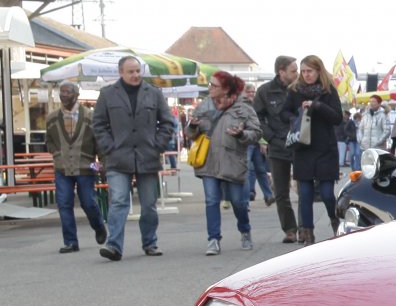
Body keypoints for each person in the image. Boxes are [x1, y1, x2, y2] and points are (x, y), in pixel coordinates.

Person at [91, 55, 176, 260]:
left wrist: (158, 145)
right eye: (131, 71)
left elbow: (167, 122)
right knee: (119, 201)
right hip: (118, 157)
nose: (136, 75)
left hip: (147, 156)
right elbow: (98, 124)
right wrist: (109, 146)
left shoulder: (153, 93)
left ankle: (150, 243)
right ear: (121, 72)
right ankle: (114, 246)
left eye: (138, 71)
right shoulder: (108, 94)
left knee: (148, 204)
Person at [190, 71, 262, 255]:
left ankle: (245, 231)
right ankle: (213, 239)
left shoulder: (243, 108)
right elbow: (190, 134)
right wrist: (192, 126)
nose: (210, 88)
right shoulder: (205, 105)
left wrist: (241, 134)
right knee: (211, 200)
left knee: (238, 202)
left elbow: (256, 132)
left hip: (233, 161)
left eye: (214, 85)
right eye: (210, 84)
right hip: (209, 161)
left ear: (226, 89)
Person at [279, 55, 344, 243]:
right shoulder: (295, 90)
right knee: (305, 195)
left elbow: (337, 118)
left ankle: (335, 220)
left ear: (318, 71)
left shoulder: (328, 90)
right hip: (303, 148)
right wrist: (296, 118)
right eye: (303, 71)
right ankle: (308, 233)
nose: (306, 75)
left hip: (325, 148)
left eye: (310, 71)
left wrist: (317, 105)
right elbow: (283, 112)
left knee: (327, 194)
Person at [43, 81, 108, 254]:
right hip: (62, 167)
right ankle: (71, 242)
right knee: (64, 204)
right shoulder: (52, 118)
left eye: (67, 92)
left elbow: (100, 143)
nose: (63, 95)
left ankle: (99, 226)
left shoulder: (91, 116)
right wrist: (56, 153)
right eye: (61, 92)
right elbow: (49, 140)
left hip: (87, 166)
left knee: (88, 202)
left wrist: (101, 164)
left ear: (76, 94)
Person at [254, 55, 300, 244]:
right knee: (281, 192)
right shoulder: (265, 91)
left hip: (300, 145)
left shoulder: (300, 89)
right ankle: (290, 230)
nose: (297, 74)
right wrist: (271, 137)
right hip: (277, 145)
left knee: (304, 189)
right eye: (293, 70)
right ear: (281, 72)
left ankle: (305, 228)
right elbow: (257, 117)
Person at [240, 82, 274, 205]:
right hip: (246, 141)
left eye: (253, 92)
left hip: (256, 141)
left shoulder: (256, 105)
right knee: (247, 169)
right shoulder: (241, 105)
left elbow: (260, 125)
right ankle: (247, 196)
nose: (251, 94)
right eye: (248, 92)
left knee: (260, 169)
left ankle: (268, 195)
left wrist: (262, 142)